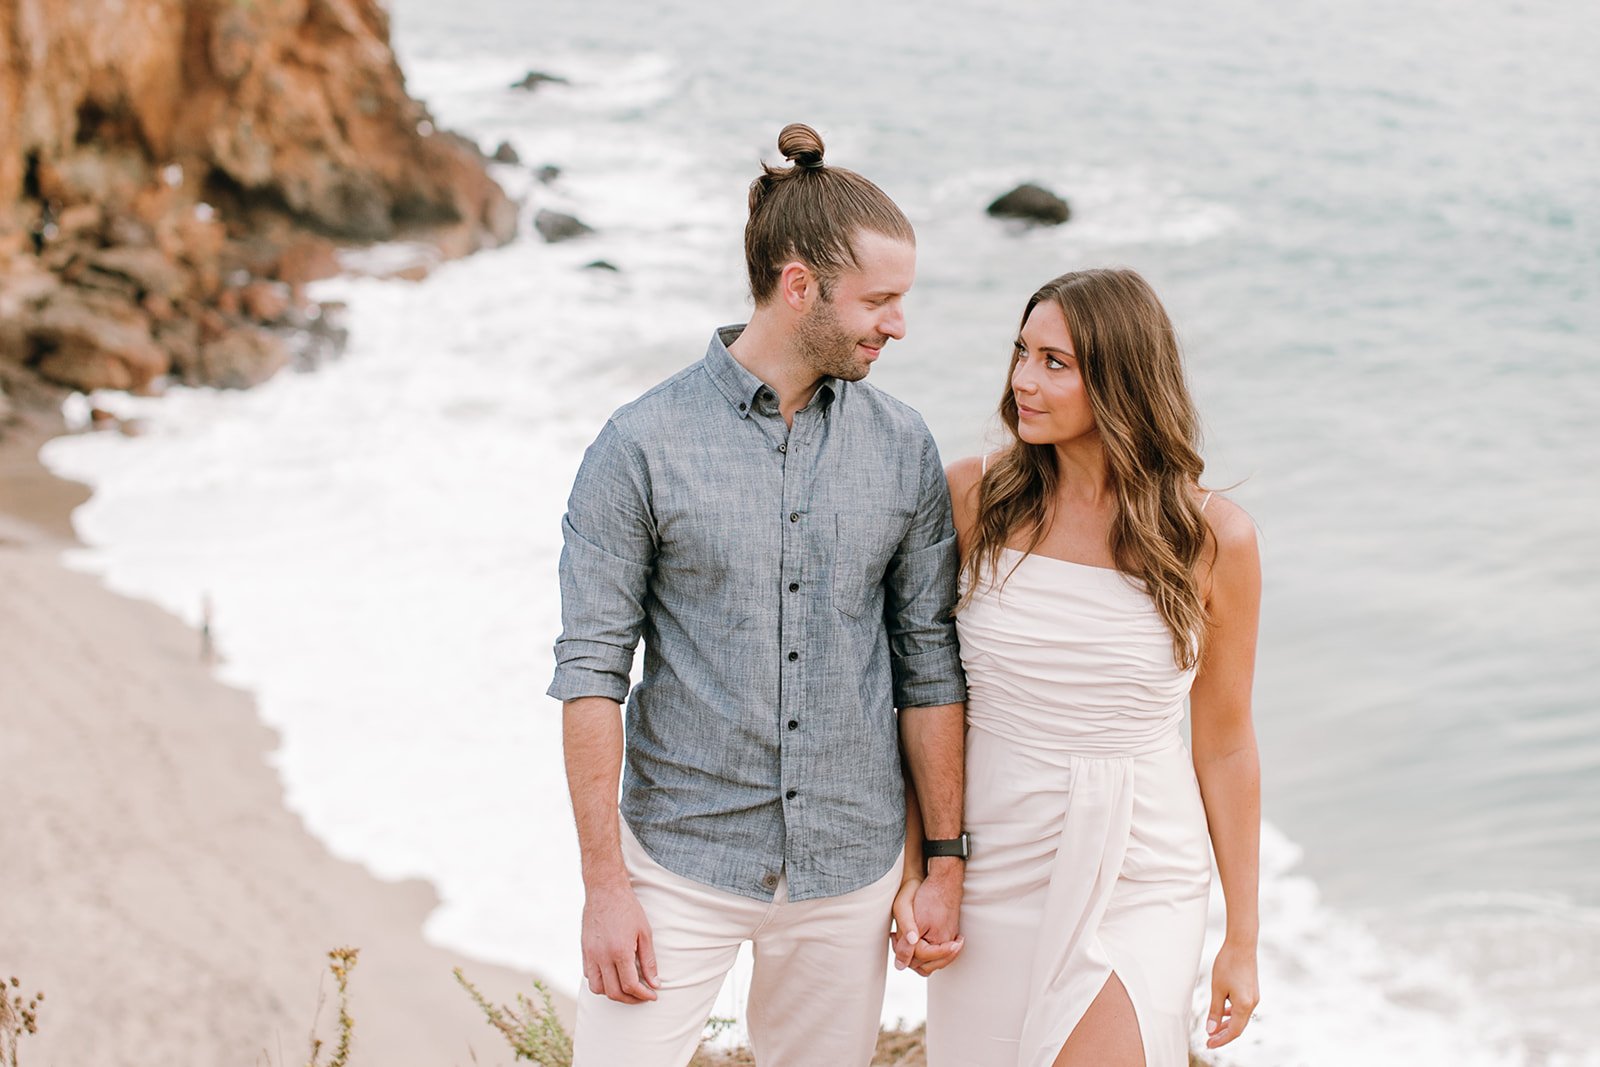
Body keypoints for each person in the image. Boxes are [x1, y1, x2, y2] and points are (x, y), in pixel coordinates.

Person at [548, 123, 969, 1067]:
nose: (896, 325)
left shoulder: (903, 446)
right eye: (881, 300)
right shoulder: (640, 445)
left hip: (849, 867)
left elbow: (928, 666)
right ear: (799, 285)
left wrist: (941, 862)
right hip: (677, 863)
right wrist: (605, 888)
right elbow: (590, 677)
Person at [922, 269, 1261, 1066]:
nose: (1022, 380)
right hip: (994, 850)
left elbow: (1226, 743)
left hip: (1144, 865)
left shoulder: (1214, 538)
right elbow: (925, 698)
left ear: (1120, 380)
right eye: (1021, 352)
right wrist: (926, 865)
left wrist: (1241, 937)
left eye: (1054, 362)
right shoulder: (973, 497)